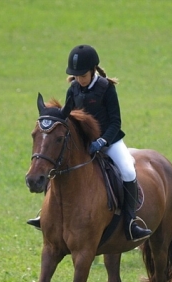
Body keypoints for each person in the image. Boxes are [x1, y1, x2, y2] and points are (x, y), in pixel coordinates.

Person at [28, 44, 152, 242]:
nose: (79, 79)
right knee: (55, 164)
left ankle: (130, 221)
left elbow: (115, 121)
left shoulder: (106, 88)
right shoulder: (73, 89)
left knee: (128, 170)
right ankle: (45, 214)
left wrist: (102, 140)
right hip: (83, 144)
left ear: (93, 70)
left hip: (109, 141)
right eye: (76, 76)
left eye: (83, 75)